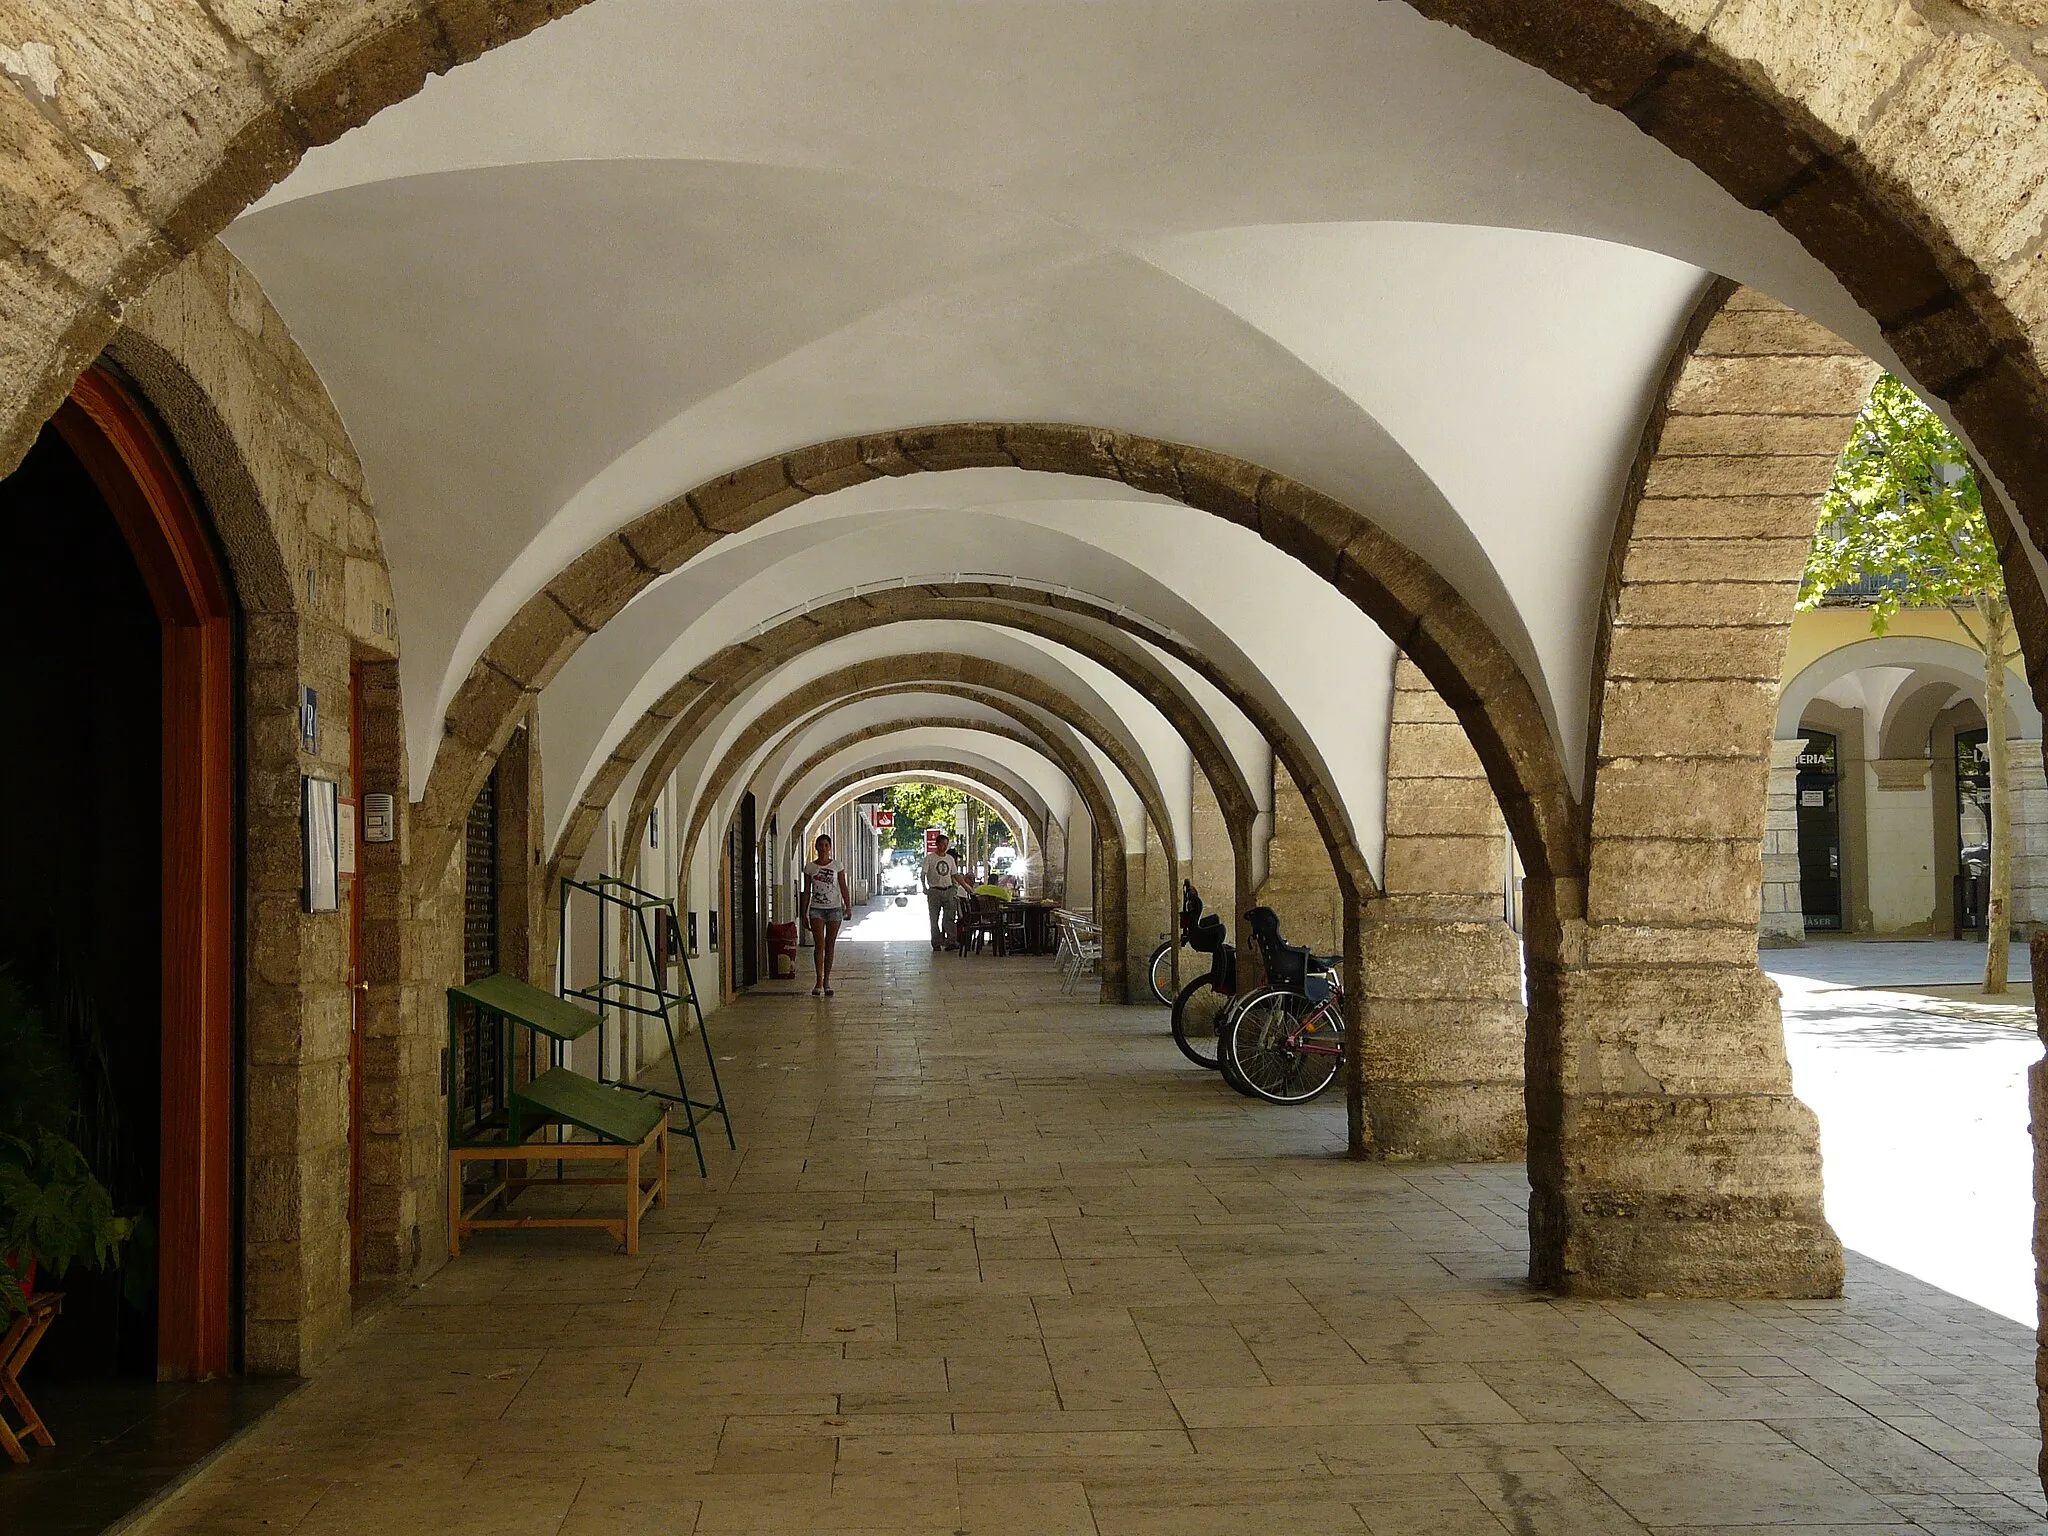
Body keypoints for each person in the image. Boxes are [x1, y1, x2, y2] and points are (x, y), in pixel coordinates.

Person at [800, 833, 853, 996]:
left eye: (826, 845)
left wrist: (848, 906)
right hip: (816, 909)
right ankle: (818, 981)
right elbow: (807, 891)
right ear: (816, 847)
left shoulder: (837, 865)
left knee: (830, 945)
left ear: (830, 848)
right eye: (820, 845)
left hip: (834, 909)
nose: (823, 848)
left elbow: (843, 886)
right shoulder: (810, 867)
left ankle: (827, 981)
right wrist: (804, 913)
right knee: (819, 944)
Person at [920, 831, 966, 951]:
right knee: (934, 918)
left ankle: (951, 941)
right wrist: (924, 887)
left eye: (946, 844)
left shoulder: (950, 859)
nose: (945, 846)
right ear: (937, 844)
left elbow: (955, 874)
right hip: (934, 890)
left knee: (949, 917)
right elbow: (923, 874)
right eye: (942, 844)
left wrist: (965, 886)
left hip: (948, 890)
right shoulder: (929, 858)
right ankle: (936, 942)